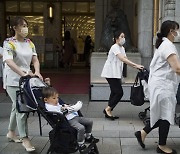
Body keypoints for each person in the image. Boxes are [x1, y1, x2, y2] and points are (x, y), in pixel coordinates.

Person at [134, 20, 180, 154]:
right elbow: (177, 68)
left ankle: (142, 133)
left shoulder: (164, 45)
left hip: (161, 85)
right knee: (165, 115)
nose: (177, 33)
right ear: (171, 31)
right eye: (176, 30)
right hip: (163, 86)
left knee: (161, 114)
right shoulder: (167, 46)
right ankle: (162, 146)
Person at [3, 16, 43, 152]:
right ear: (14, 28)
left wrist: (37, 71)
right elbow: (9, 61)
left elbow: (35, 59)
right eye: (22, 26)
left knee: (16, 106)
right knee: (22, 108)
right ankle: (25, 138)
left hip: (26, 79)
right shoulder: (9, 43)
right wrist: (23, 73)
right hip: (13, 80)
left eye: (26, 25)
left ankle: (11, 132)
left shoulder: (29, 42)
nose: (25, 28)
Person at [101, 30, 144, 120]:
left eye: (124, 37)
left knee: (114, 92)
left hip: (115, 73)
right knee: (119, 92)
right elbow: (122, 59)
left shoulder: (122, 48)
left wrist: (135, 66)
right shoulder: (114, 47)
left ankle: (108, 110)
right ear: (116, 38)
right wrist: (136, 66)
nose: (123, 39)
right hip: (110, 73)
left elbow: (125, 59)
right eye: (121, 36)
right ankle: (108, 109)